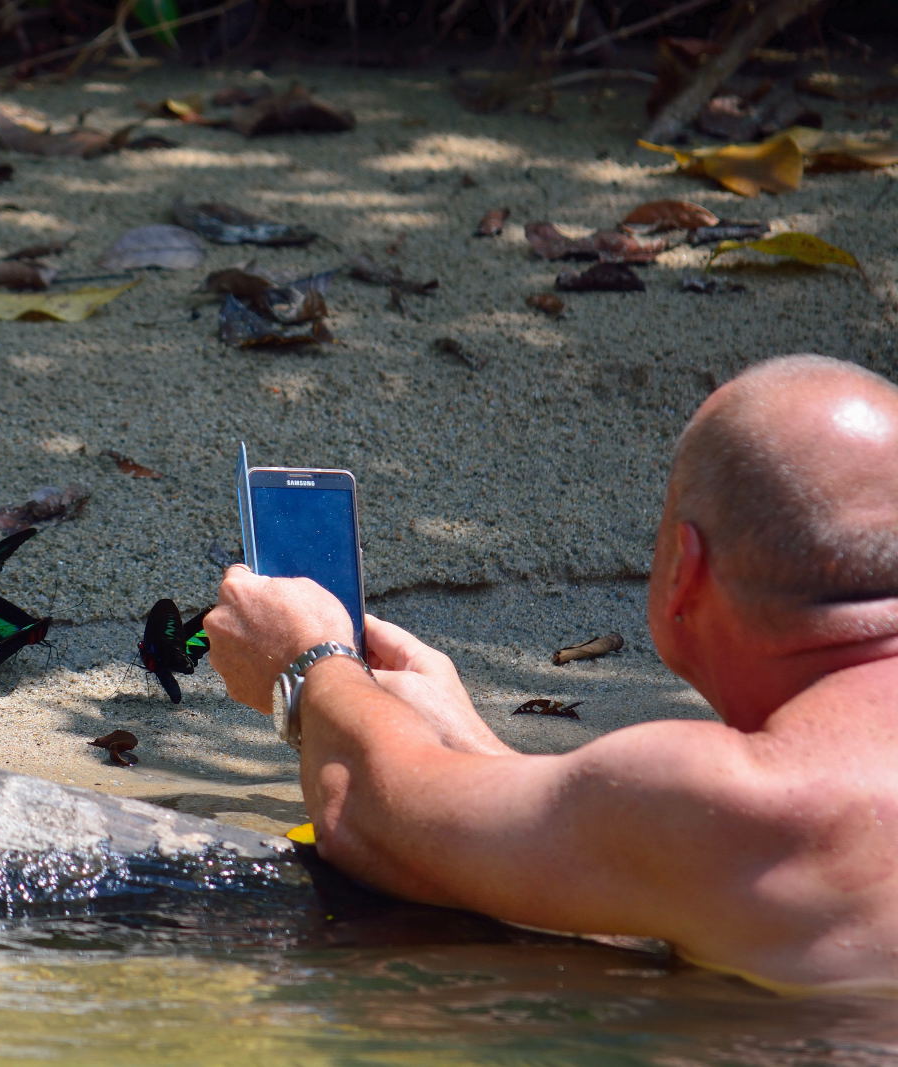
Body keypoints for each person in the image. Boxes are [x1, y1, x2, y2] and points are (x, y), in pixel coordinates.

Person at [207, 353, 898, 993]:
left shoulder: (733, 795)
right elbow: (646, 874)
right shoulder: (733, 828)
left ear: (685, 569)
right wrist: (469, 747)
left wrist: (308, 660)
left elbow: (364, 815)